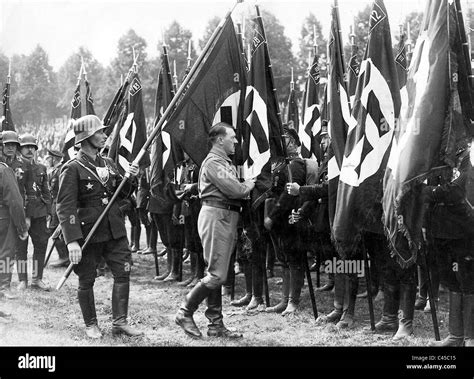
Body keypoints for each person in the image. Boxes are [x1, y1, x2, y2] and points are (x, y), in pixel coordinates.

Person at [56, 114, 143, 339]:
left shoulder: (109, 163)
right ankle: (91, 324)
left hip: (114, 229)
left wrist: (130, 178)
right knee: (87, 278)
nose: (105, 136)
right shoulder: (72, 168)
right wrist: (72, 240)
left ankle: (120, 322)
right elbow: (65, 208)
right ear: (86, 137)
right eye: (100, 132)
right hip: (89, 233)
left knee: (123, 272)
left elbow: (121, 193)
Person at [175, 122, 255, 338]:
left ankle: (215, 324)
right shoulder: (213, 162)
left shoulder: (222, 161)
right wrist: (250, 183)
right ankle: (185, 311)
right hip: (217, 216)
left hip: (224, 216)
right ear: (220, 139)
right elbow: (235, 189)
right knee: (217, 275)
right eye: (232, 137)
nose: (236, 141)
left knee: (216, 272)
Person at [424, 142, 474, 347]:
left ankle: (470, 336)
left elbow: (456, 191)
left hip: (463, 230)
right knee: (450, 281)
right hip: (440, 230)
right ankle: (455, 336)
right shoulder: (438, 160)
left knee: (468, 281)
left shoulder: (469, 158)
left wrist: (429, 192)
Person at [264, 128, 308, 316]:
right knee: (283, 260)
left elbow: (288, 193)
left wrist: (272, 215)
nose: (284, 143)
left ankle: (293, 301)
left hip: (290, 216)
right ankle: (284, 300)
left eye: (288, 140)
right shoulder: (281, 164)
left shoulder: (296, 164)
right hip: (279, 218)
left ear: (295, 143)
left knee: (294, 260)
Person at [18, 133, 52, 291]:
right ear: (20, 149)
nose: (30, 150)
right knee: (21, 247)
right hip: (22, 212)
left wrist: (49, 211)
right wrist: (25, 216)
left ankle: (37, 278)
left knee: (41, 245)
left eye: (32, 147)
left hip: (39, 212)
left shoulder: (41, 168)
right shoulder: (16, 168)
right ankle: (22, 279)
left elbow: (46, 191)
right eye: (26, 147)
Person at [0, 158, 29, 314]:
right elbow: (15, 200)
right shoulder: (4, 170)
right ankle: (3, 286)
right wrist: (21, 227)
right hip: (3, 219)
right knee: (6, 253)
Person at [46, 148, 70, 268]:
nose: (47, 160)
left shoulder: (62, 170)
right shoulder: (53, 171)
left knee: (55, 230)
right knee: (56, 231)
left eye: (48, 158)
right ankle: (65, 257)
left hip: (59, 204)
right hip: (53, 204)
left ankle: (64, 257)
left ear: (54, 158)